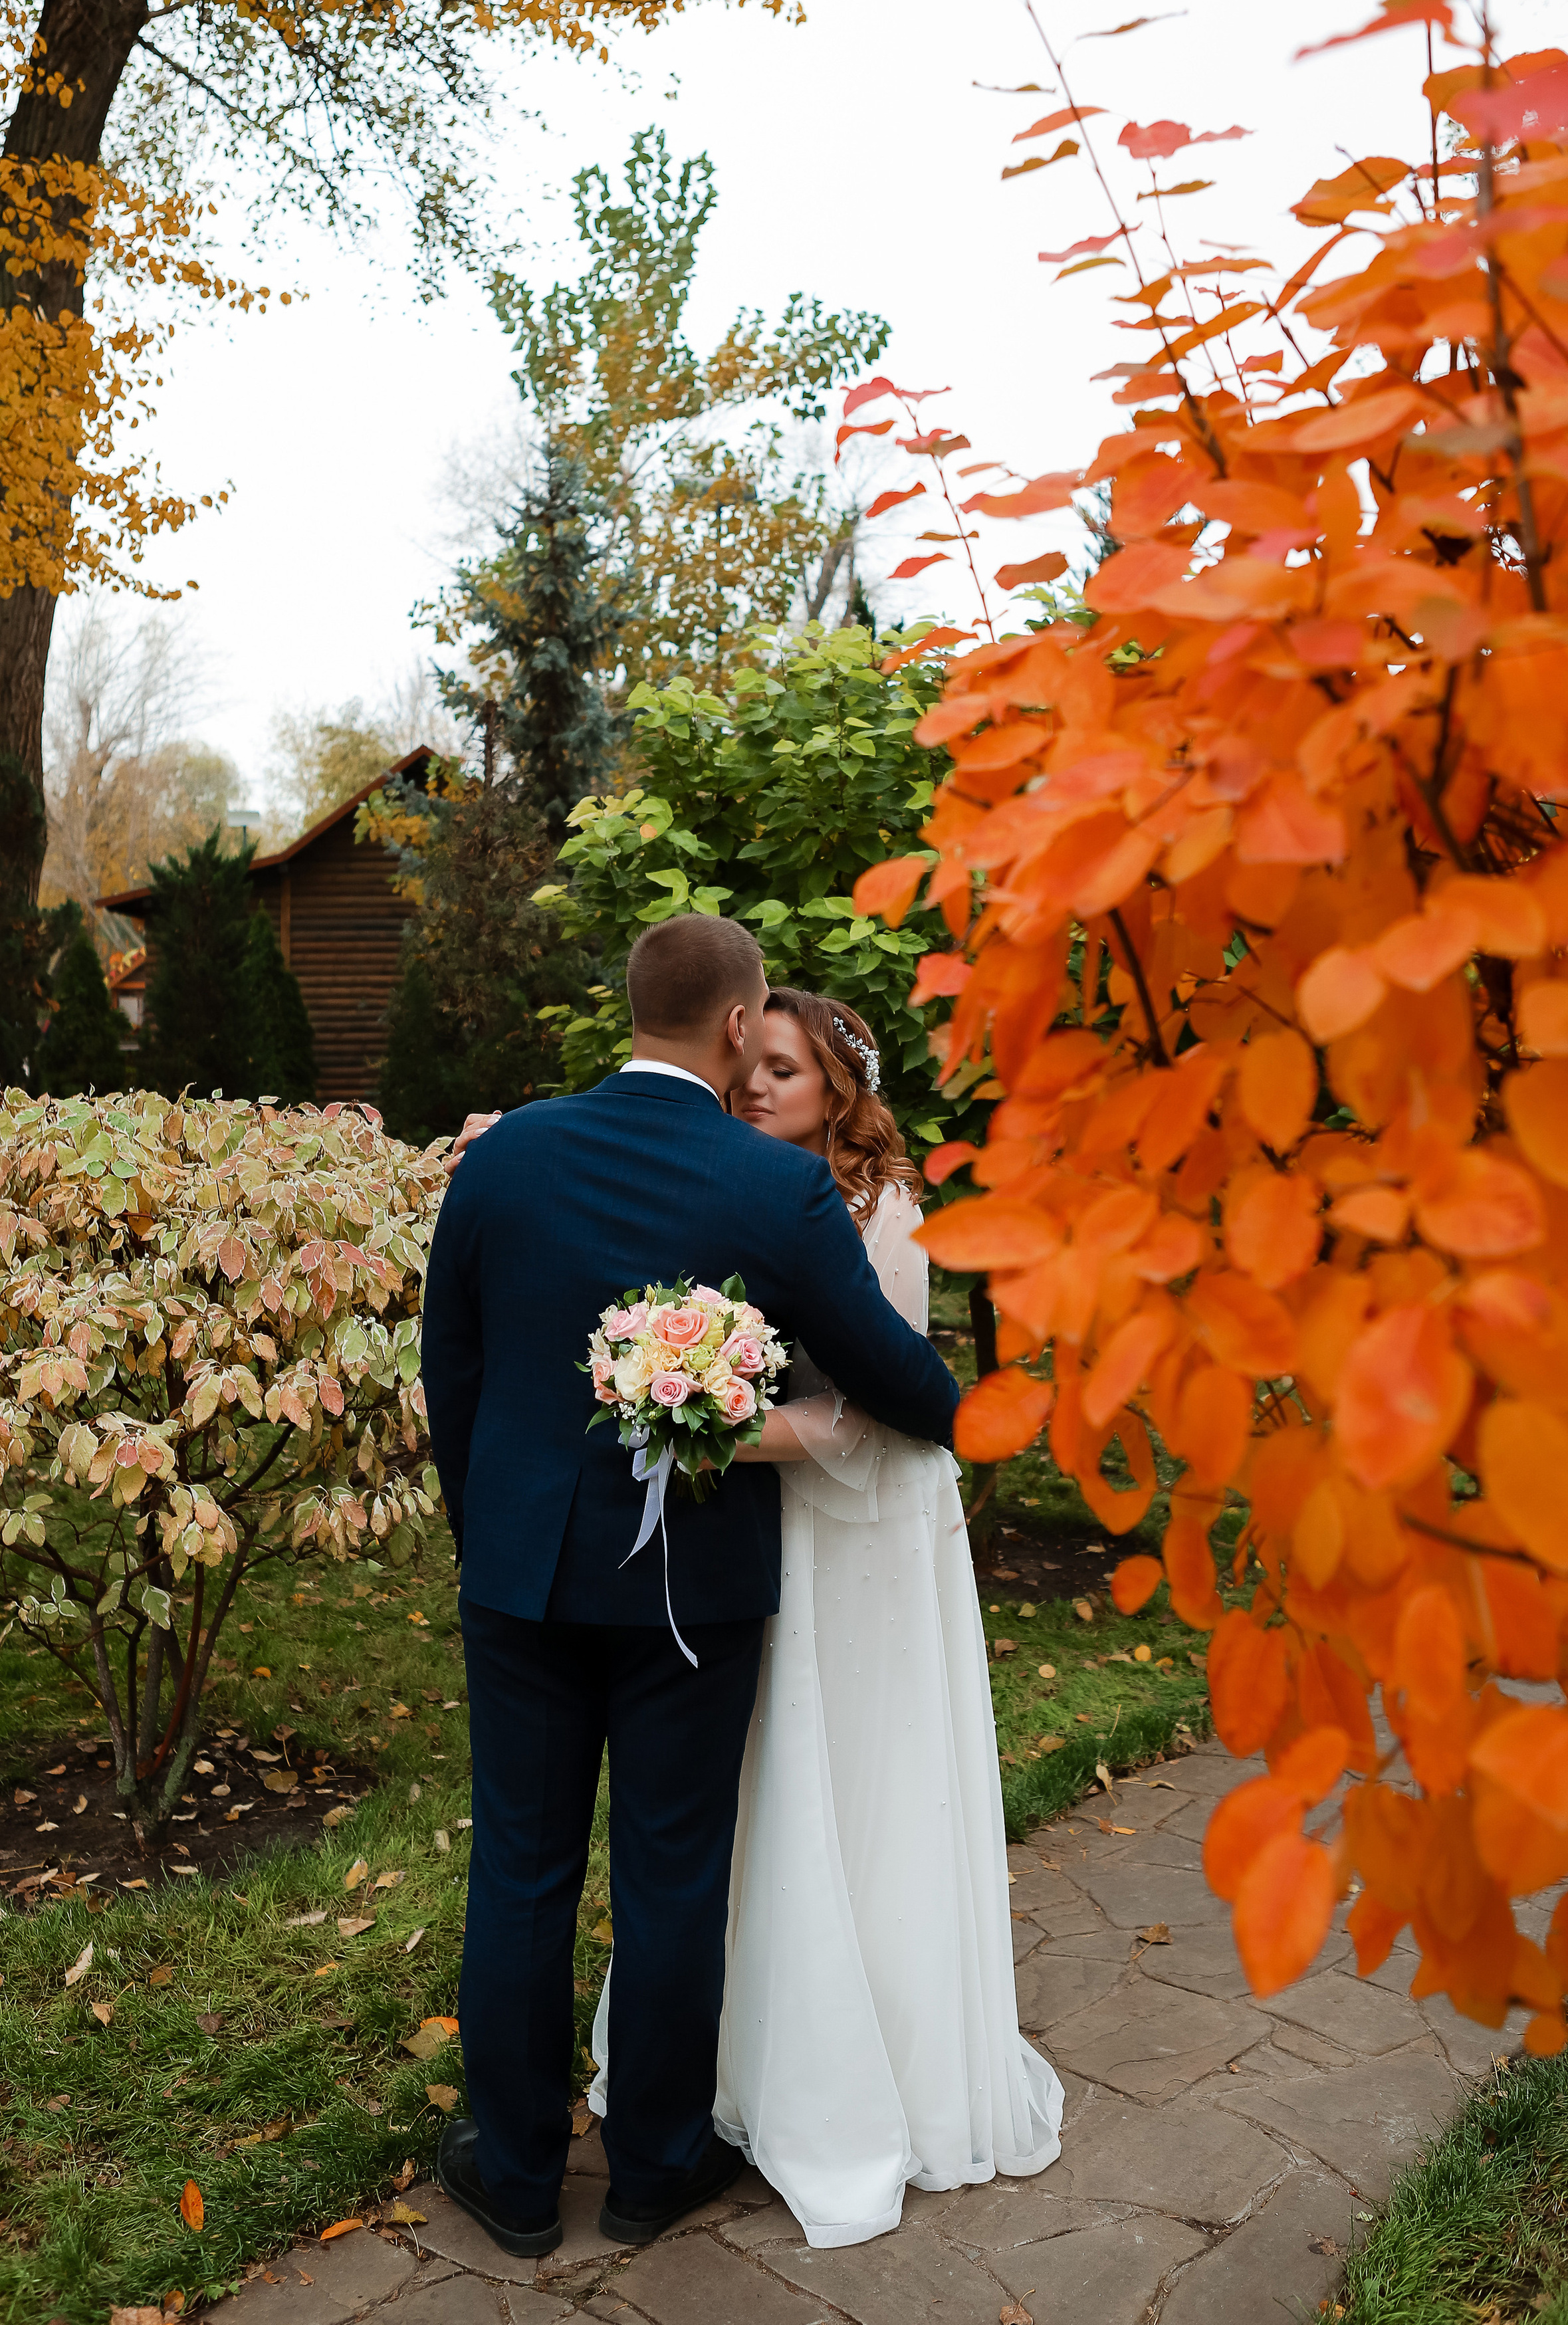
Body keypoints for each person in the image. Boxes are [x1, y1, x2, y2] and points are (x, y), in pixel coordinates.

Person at [419, 917, 960, 2261]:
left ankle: (517, 2175)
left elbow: (454, 1370)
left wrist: (481, 1531)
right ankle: (657, 2169)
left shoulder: (506, 1158)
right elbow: (892, 1378)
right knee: (672, 1871)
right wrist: (952, 1406)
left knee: (524, 1869)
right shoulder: (765, 1185)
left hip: (523, 1574)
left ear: (633, 1007)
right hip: (694, 1587)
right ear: (736, 1026)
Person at [586, 988, 1063, 2244]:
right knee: (759, 1789)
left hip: (865, 1531)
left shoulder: (885, 1213)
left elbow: (875, 1408)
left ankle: (883, 2076)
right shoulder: (738, 1186)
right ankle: (747, 2063)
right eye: (754, 1063)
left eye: (786, 1071)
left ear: (837, 1091)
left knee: (865, 1784)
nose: (756, 1085)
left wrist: (701, 1423)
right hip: (769, 1526)